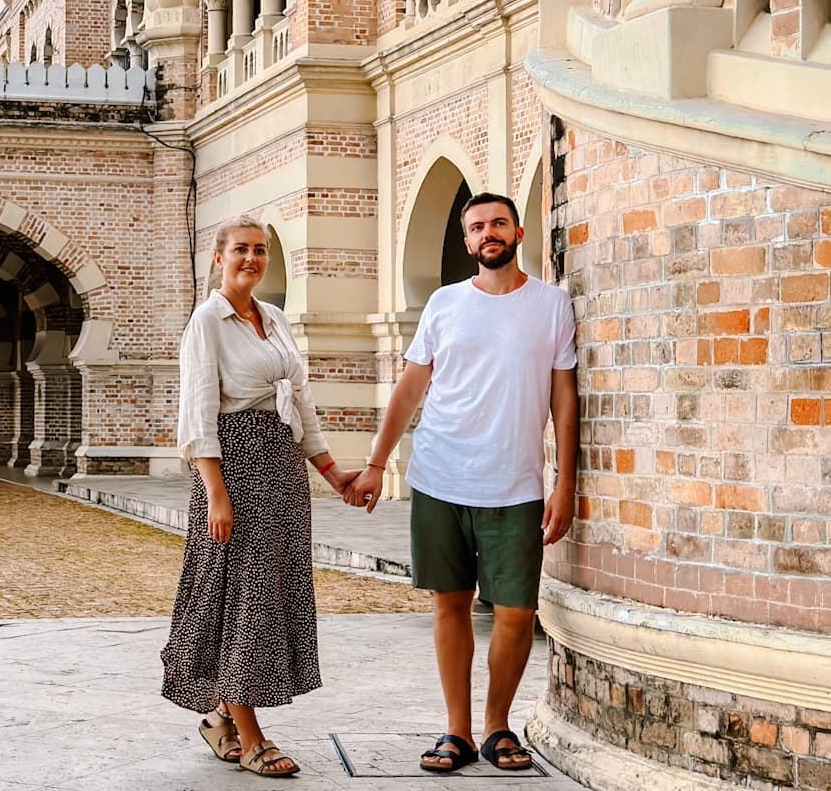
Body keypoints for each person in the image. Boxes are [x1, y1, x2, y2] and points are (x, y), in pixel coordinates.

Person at [345, 192, 578, 774]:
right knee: (449, 604)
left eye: (498, 223)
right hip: (439, 477)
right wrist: (376, 462)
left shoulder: (552, 305)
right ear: (467, 241)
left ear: (518, 233)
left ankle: (498, 727)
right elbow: (409, 389)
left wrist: (565, 480)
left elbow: (564, 398)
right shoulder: (444, 305)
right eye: (476, 227)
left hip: (517, 485)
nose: (487, 233)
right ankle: (457, 731)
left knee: (517, 612)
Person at [162, 217, 359, 778]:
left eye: (260, 250)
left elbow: (302, 402)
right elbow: (197, 413)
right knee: (242, 597)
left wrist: (331, 473)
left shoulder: (272, 319)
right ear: (219, 258)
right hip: (234, 470)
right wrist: (215, 491)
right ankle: (251, 736)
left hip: (281, 470)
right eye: (241, 250)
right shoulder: (208, 320)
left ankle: (222, 714)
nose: (252, 258)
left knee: (269, 593)